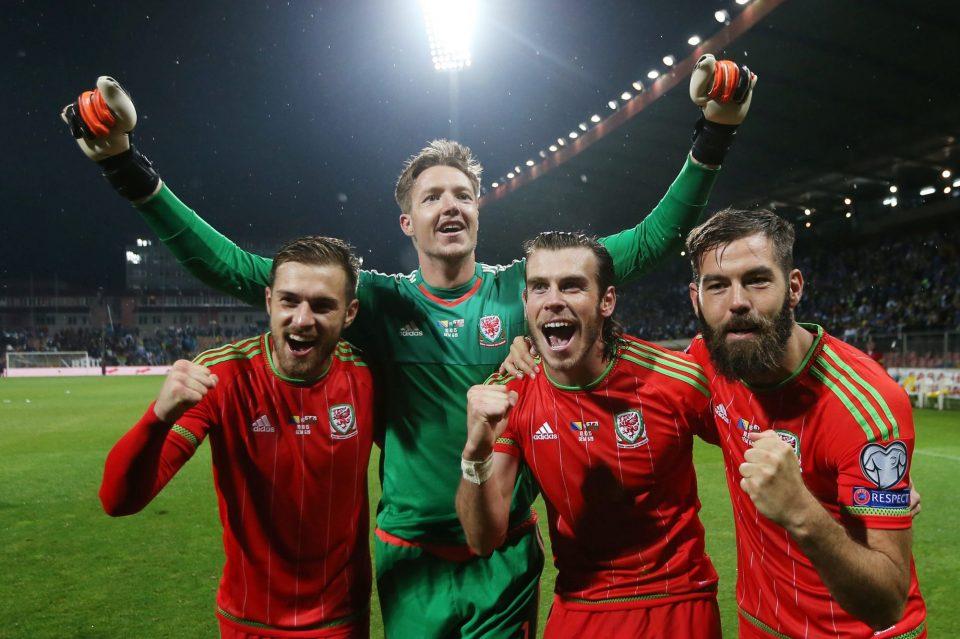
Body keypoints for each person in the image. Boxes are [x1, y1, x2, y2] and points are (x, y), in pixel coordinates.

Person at [66, 57, 756, 637]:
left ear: (478, 210)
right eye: (432, 197)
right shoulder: (376, 302)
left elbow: (650, 241)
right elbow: (238, 269)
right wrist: (128, 169)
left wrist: (713, 133)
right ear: (408, 221)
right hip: (409, 557)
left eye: (463, 194)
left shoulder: (528, 289)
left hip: (503, 555)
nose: (450, 204)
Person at [99, 237, 375, 638]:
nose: (302, 320)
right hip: (248, 622)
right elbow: (118, 501)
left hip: (340, 622)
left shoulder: (367, 377)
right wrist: (157, 418)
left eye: (322, 305)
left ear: (349, 313)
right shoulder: (222, 376)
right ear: (269, 301)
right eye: (289, 301)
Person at [457, 231, 722, 638]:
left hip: (676, 600)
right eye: (539, 287)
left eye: (572, 285)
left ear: (606, 301)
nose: (553, 300)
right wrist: (475, 453)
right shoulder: (512, 393)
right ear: (525, 302)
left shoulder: (675, 378)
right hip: (579, 604)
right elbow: (482, 539)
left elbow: (748, 441)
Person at [684, 208, 927, 638]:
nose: (737, 301)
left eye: (757, 280)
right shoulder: (708, 361)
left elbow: (888, 604)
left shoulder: (865, 403)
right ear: (696, 298)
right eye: (717, 285)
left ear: (793, 287)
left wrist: (800, 510)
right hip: (760, 625)